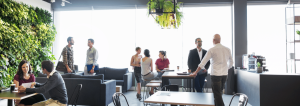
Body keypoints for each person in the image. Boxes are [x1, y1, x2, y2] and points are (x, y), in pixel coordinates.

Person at [190, 34, 233, 106]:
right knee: (219, 94)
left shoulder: (212, 50)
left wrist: (195, 72)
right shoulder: (227, 49)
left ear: (213, 40)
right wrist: (227, 68)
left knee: (217, 95)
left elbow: (203, 62)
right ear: (220, 40)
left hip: (216, 75)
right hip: (224, 75)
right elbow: (231, 62)